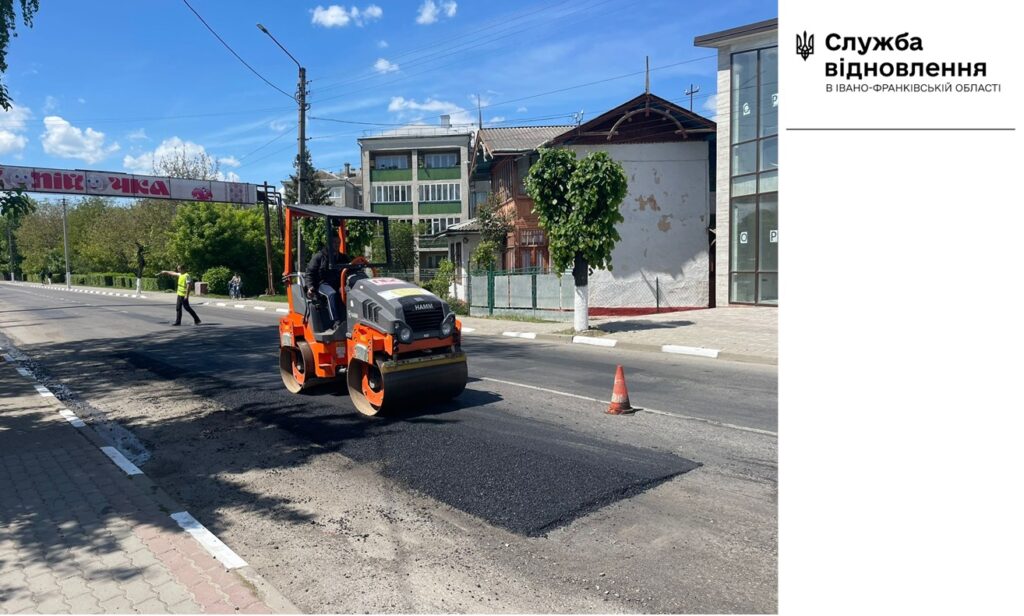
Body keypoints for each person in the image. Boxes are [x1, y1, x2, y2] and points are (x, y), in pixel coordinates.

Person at [305, 234, 350, 332]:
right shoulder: (319, 257)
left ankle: (350, 320)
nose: (336, 245)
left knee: (351, 292)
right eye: (334, 242)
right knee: (332, 294)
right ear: (329, 243)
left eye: (338, 243)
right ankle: (336, 322)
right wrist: (310, 287)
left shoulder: (343, 257)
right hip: (322, 284)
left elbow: (351, 269)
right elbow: (310, 273)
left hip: (339, 283)